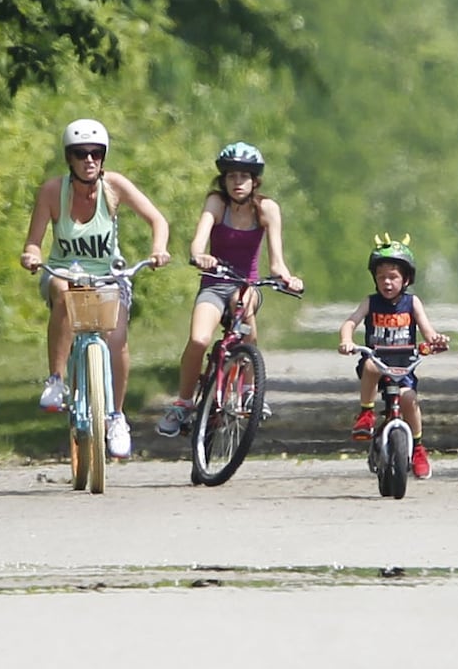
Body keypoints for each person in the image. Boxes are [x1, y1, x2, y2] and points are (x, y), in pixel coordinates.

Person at [20, 118, 172, 458]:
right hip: (64, 272)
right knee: (61, 290)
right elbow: (34, 242)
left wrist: (158, 249)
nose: (89, 160)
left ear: (103, 157)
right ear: (69, 159)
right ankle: (56, 381)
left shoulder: (114, 187)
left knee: (116, 339)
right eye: (80, 153)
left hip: (108, 275)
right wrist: (31, 256)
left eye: (96, 153)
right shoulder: (51, 192)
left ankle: (117, 416)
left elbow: (157, 220)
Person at [155, 142, 304, 437]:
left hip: (245, 284)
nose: (238, 183)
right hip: (214, 283)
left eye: (244, 177)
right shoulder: (216, 203)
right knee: (199, 340)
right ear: (223, 180)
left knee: (243, 303)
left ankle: (250, 389)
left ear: (255, 180)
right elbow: (199, 240)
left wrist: (288, 278)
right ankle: (183, 403)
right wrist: (201, 255)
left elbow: (276, 262)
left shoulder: (267, 209)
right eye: (232, 176)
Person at [336, 237, 449, 480]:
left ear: (406, 279)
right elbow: (350, 322)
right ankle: (366, 413)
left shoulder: (412, 303)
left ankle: (418, 448)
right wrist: (347, 340)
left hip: (404, 365)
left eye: (393, 276)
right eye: (381, 277)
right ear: (375, 279)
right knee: (370, 365)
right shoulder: (371, 302)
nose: (387, 282)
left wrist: (435, 341)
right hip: (377, 361)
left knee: (409, 400)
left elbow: (428, 332)